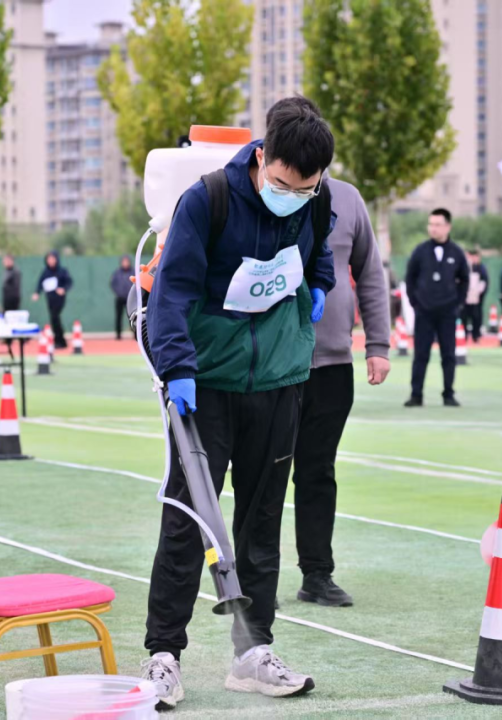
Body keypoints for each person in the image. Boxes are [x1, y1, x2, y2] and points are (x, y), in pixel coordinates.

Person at [141, 96, 336, 707]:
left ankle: (253, 652)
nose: (292, 196)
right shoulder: (207, 200)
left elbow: (320, 252)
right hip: (205, 386)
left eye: (304, 188)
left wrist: (320, 285)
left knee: (262, 521)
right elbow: (171, 291)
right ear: (261, 157)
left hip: (278, 381)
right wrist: (177, 368)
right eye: (282, 184)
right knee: (188, 519)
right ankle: (164, 655)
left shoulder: (316, 199)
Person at [291, 176, 390, 608]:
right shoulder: (263, 194)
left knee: (318, 472)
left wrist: (378, 345)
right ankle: (256, 580)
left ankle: (317, 574)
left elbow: (370, 274)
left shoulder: (347, 199)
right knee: (262, 475)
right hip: (272, 364)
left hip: (332, 364)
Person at [404, 208, 469, 407]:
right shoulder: (420, 251)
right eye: (431, 224)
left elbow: (464, 280)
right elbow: (410, 278)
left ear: (448, 226)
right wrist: (415, 303)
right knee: (420, 355)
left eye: (438, 224)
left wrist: (457, 303)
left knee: (448, 355)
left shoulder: (457, 253)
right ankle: (416, 395)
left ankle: (448, 394)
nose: (433, 228)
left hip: (448, 313)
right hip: (424, 312)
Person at [32, 250, 72, 349]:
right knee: (53, 318)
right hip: (50, 298)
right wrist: (37, 293)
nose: (50, 261)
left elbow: (69, 282)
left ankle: (60, 340)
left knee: (55, 317)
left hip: (59, 298)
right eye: (49, 259)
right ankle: (58, 340)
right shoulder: (46, 272)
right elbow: (40, 283)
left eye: (52, 259)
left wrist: (63, 289)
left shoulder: (62, 271)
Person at [461, 248, 488, 343]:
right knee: (463, 316)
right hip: (464, 297)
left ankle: (476, 335)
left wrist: (478, 292)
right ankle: (463, 335)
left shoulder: (481, 268)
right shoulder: (463, 267)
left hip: (476, 297)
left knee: (476, 316)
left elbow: (484, 281)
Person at [110, 255, 134, 340]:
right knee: (118, 316)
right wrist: (118, 292)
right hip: (120, 298)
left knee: (132, 316)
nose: (125, 263)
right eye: (124, 261)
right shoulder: (117, 272)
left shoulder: (133, 272)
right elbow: (113, 284)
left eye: (127, 261)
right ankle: (118, 334)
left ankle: (135, 333)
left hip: (131, 298)